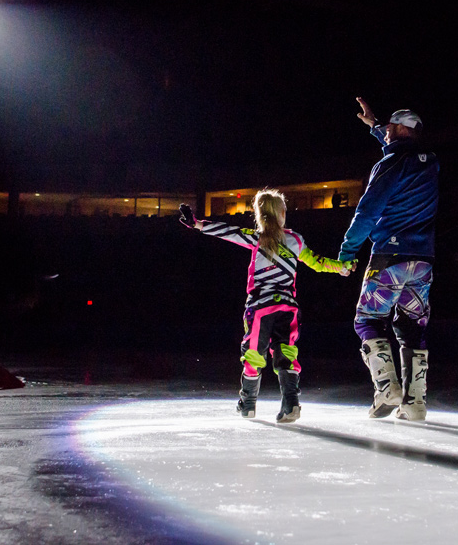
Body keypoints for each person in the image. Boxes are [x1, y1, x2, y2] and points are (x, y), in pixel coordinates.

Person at [179, 190, 353, 423]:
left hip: (260, 307)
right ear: (282, 214)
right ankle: (291, 403)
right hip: (288, 308)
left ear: (260, 215)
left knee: (253, 354)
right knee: (287, 354)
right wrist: (341, 267)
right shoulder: (295, 240)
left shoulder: (256, 238)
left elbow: (227, 232)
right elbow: (318, 263)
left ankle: (248, 404)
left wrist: (196, 224)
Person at [339, 97, 439, 421]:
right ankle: (415, 403)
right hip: (423, 259)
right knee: (413, 326)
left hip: (389, 256)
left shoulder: (389, 165)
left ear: (397, 129)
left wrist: (347, 250)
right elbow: (402, 144)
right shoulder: (430, 162)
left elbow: (367, 211)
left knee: (367, 319)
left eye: (390, 127)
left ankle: (387, 387)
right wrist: (376, 126)